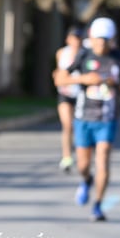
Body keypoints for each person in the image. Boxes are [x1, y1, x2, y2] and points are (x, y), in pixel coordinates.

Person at [53, 16, 120, 222]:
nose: (102, 44)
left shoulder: (119, 58)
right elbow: (60, 78)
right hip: (83, 116)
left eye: (106, 40)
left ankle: (98, 205)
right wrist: (83, 79)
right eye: (98, 39)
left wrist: (113, 83)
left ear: (111, 39)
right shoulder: (83, 56)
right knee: (82, 164)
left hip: (107, 117)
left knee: (104, 157)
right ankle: (86, 180)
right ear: (92, 38)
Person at [53, 25, 84, 173]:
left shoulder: (85, 54)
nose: (75, 41)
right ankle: (66, 157)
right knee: (67, 125)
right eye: (73, 38)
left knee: (79, 126)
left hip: (81, 94)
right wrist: (57, 77)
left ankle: (82, 155)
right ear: (68, 39)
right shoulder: (61, 53)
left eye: (78, 38)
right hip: (65, 93)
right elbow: (59, 72)